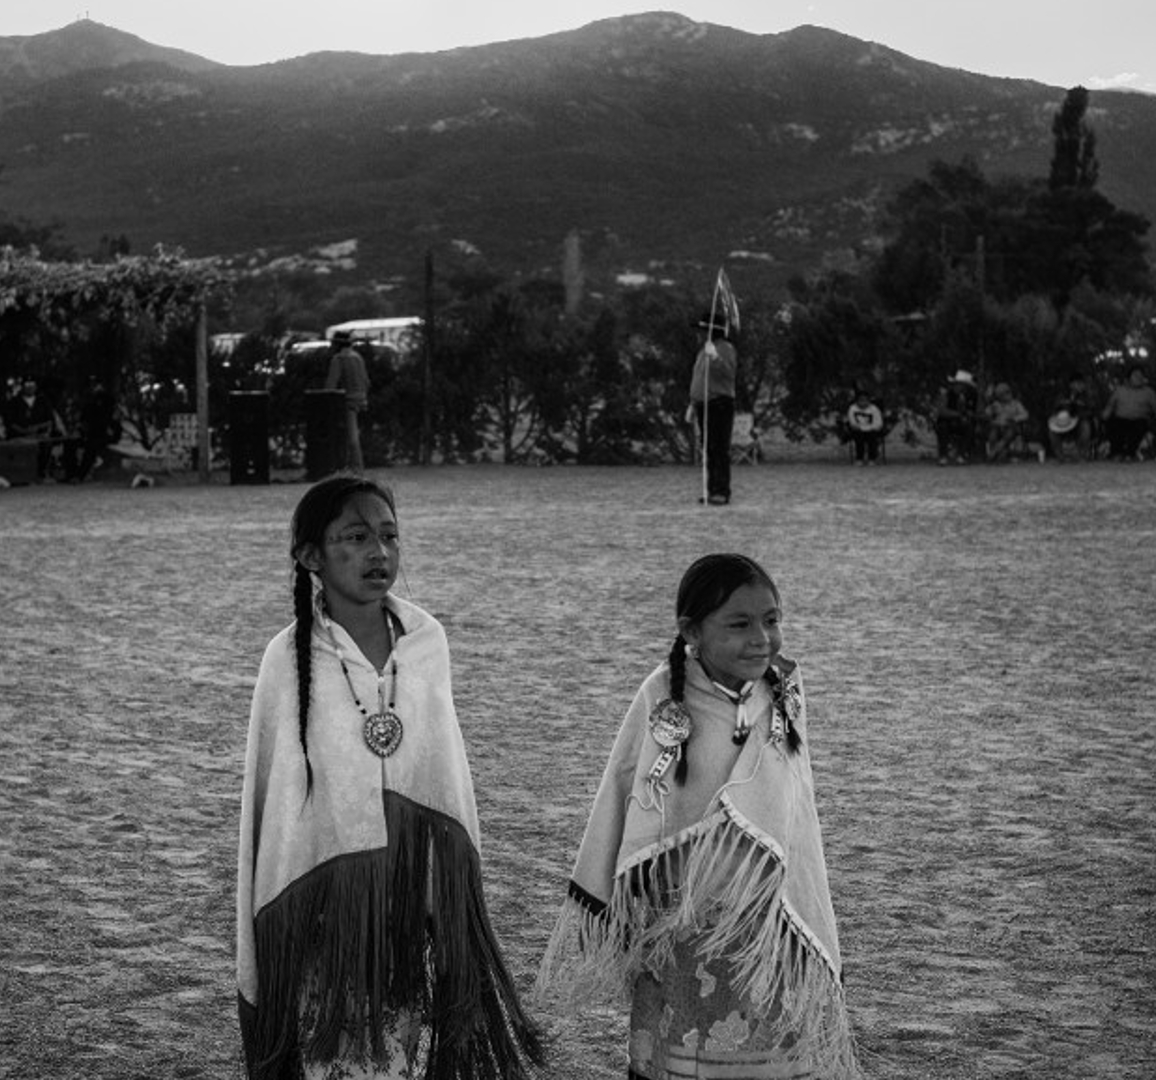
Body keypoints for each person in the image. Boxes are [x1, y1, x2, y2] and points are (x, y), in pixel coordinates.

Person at [235, 478, 543, 1080]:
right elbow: (274, 807)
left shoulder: (426, 645)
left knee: (406, 1051)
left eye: (389, 536)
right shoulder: (287, 658)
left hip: (410, 910)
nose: (379, 553)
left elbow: (442, 776)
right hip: (322, 918)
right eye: (355, 537)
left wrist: (435, 896)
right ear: (310, 556)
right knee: (331, 1056)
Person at [537, 553, 860, 1079]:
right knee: (683, 1047)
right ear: (692, 631)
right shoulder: (663, 695)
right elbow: (628, 790)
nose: (762, 637)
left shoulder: (783, 692)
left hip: (767, 919)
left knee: (766, 1051)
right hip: (682, 915)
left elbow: (794, 809)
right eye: (740, 624)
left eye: (772, 620)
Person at [688, 320, 737, 503]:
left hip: (719, 403)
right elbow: (699, 377)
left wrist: (715, 358)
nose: (699, 334)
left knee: (719, 448)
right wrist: (693, 403)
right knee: (708, 448)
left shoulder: (725, 348)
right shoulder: (704, 350)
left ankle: (722, 491)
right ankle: (711, 489)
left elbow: (729, 374)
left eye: (702, 330)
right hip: (704, 404)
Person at [323, 331, 371, 475]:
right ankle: (354, 467)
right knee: (354, 435)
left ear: (337, 344)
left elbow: (331, 385)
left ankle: (356, 469)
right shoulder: (358, 357)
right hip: (362, 399)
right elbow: (367, 381)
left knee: (351, 437)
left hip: (348, 401)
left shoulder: (339, 359)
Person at [5, 379, 66, 480]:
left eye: (32, 385)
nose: (30, 387)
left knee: (46, 444)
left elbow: (50, 420)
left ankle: (41, 473)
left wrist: (39, 428)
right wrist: (24, 431)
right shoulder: (14, 402)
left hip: (40, 435)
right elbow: (10, 423)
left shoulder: (43, 401)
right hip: (19, 435)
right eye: (27, 385)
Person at [1101, 365, 1156, 461]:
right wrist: (1106, 413)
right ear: (1129, 378)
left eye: (1141, 376)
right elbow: (1110, 405)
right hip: (1121, 419)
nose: (1138, 378)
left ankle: (1130, 453)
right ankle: (1116, 452)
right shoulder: (1120, 390)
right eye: (1135, 375)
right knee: (1114, 424)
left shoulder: (1149, 392)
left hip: (1139, 419)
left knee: (1138, 426)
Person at [932, 370, 979, 465]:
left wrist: (966, 415)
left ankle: (961, 455)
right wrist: (958, 414)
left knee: (968, 427)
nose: (963, 388)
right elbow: (941, 411)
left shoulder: (964, 397)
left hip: (957, 423)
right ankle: (943, 456)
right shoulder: (945, 395)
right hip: (944, 422)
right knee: (942, 427)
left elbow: (965, 411)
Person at [983, 382, 1030, 463]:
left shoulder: (1016, 404)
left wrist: (1014, 418)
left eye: (1008, 393)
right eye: (1004, 394)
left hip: (1011, 427)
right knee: (992, 435)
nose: (1008, 395)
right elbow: (987, 413)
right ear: (999, 396)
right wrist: (990, 408)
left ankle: (993, 453)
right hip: (997, 426)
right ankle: (995, 453)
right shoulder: (996, 404)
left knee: (1009, 434)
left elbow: (1025, 414)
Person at [845, 388, 885, 466]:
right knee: (858, 437)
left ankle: (872, 458)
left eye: (865, 400)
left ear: (869, 401)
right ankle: (859, 458)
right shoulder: (852, 409)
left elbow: (878, 423)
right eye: (861, 400)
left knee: (872, 438)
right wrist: (860, 428)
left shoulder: (874, 409)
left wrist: (869, 428)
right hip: (858, 430)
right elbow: (852, 422)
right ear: (857, 401)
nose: (863, 403)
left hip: (871, 430)